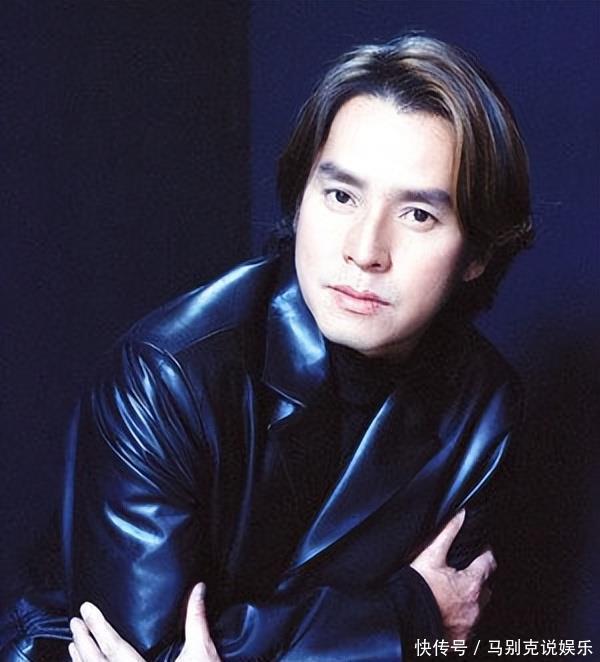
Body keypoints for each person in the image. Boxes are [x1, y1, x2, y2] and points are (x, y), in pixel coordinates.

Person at [1, 34, 532, 661]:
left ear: (477, 253)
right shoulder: (166, 374)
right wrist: (403, 616)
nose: (365, 250)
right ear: (300, 199)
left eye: (417, 214)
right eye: (341, 196)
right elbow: (150, 653)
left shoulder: (484, 407)